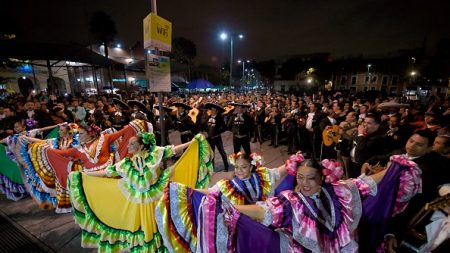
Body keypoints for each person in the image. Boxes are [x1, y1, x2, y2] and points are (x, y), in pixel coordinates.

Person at [195, 155, 393, 252]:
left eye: (310, 178)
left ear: (322, 178)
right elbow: (263, 211)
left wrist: (392, 169)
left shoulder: (338, 191)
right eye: (300, 177)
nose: (304, 183)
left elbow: (362, 183)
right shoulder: (291, 201)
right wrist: (231, 208)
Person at [68, 132, 213, 252]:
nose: (129, 146)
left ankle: (164, 242)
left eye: (132, 143)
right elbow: (106, 172)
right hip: (139, 201)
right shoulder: (125, 164)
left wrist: (192, 142)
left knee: (160, 220)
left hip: (157, 195)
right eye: (129, 143)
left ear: (141, 145)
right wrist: (84, 175)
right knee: (144, 225)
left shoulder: (155, 153)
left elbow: (174, 149)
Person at [155, 152, 288, 253]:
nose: (239, 171)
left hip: (266, 224)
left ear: (251, 167)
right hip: (243, 229)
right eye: (236, 167)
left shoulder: (263, 175)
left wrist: (291, 163)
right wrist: (188, 190)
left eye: (243, 167)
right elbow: (209, 192)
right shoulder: (228, 185)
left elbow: (278, 172)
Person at [19, 123, 79, 212]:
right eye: (59, 130)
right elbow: (41, 141)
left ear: (68, 131)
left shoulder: (76, 141)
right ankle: (72, 206)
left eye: (61, 130)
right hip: (60, 171)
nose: (59, 131)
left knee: (76, 188)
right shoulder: (57, 141)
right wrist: (26, 138)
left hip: (73, 169)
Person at [203, 103, 229, 171]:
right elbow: (206, 126)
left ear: (216, 111)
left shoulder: (219, 118)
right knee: (211, 154)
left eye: (213, 109)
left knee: (222, 152)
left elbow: (225, 128)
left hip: (217, 138)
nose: (211, 111)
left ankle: (226, 166)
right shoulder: (209, 117)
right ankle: (212, 168)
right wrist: (206, 132)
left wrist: (218, 132)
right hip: (210, 139)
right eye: (211, 109)